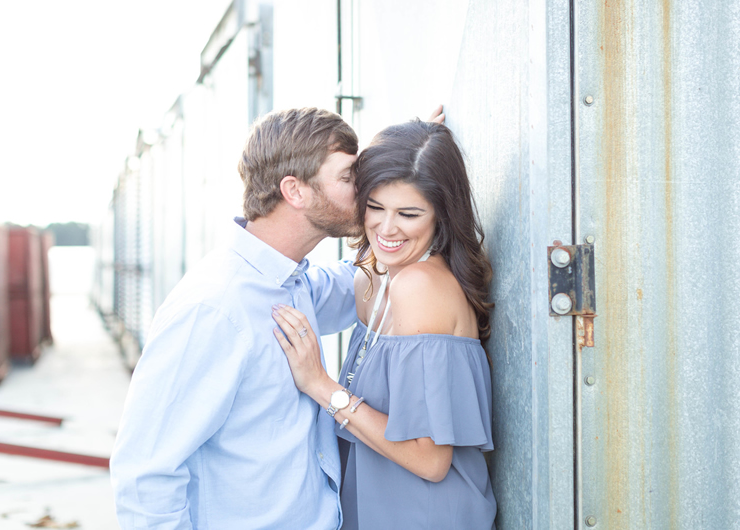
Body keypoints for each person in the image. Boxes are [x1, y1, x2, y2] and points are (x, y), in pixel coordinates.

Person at [110, 107, 363, 529]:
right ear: (295, 191)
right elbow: (145, 477)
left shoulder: (292, 281)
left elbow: (357, 286)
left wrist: (405, 169)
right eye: (349, 177)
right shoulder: (213, 309)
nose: (364, 189)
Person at [272, 119, 497, 529]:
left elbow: (429, 460)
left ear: (441, 215)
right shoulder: (374, 273)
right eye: (375, 207)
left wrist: (321, 386)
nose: (387, 228)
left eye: (409, 214)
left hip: (424, 516)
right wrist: (407, 147)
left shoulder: (420, 286)